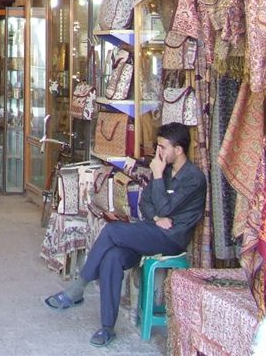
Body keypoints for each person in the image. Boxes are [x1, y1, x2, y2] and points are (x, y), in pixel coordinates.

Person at [44, 122, 207, 347]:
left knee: (112, 231)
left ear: (178, 150)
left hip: (172, 239)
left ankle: (78, 287)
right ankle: (107, 327)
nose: (159, 152)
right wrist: (158, 216)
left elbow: (166, 208)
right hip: (152, 231)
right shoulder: (165, 170)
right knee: (112, 258)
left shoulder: (193, 178)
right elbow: (146, 203)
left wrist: (158, 179)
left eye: (163, 147)